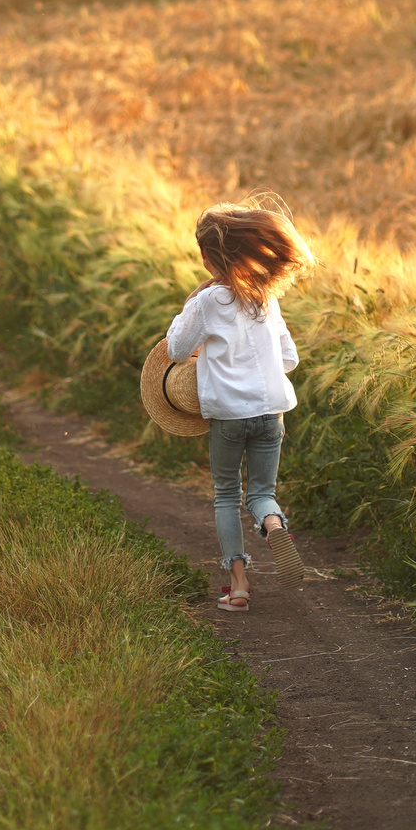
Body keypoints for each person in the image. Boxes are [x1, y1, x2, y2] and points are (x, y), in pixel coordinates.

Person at [164, 203, 312, 612]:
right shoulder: (266, 297)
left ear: (207, 256)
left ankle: (239, 587)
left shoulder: (209, 300)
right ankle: (274, 525)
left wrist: (190, 304)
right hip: (272, 414)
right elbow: (289, 359)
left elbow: (177, 351)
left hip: (229, 417)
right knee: (262, 493)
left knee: (227, 495)